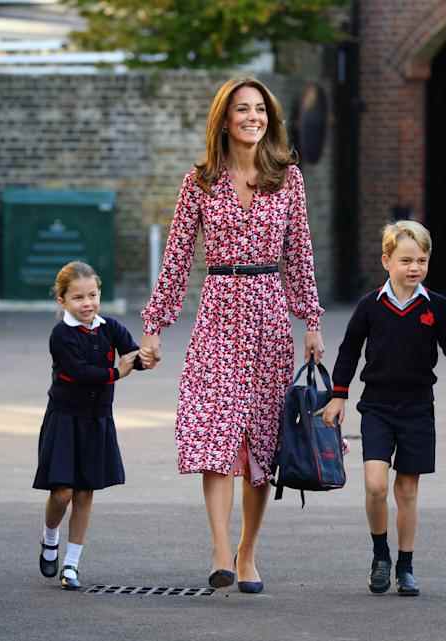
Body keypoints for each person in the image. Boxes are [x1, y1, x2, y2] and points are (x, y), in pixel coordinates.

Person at [138, 77, 324, 594]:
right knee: (214, 431)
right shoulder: (198, 182)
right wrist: (153, 326)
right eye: (242, 109)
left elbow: (300, 256)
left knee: (261, 444)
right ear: (224, 118)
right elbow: (175, 260)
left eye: (260, 110)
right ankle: (221, 549)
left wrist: (311, 321)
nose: (252, 117)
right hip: (218, 313)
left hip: (268, 316)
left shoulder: (288, 179)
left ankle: (248, 551)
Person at [323, 221, 446, 596]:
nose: (414, 267)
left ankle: (406, 566)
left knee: (407, 491)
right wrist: (338, 394)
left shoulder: (436, 306)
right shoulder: (369, 306)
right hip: (377, 407)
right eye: (406, 259)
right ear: (386, 260)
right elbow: (348, 350)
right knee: (376, 485)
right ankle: (381, 555)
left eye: (422, 260)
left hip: (417, 410)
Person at [34, 261, 144, 590]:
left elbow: (132, 352)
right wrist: (117, 373)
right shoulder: (61, 335)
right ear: (62, 301)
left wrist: (145, 358)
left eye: (93, 295)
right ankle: (50, 536)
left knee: (85, 493)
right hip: (65, 418)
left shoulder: (109, 327)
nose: (87, 303)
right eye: (78, 297)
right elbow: (77, 373)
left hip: (97, 420)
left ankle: (71, 565)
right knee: (62, 491)